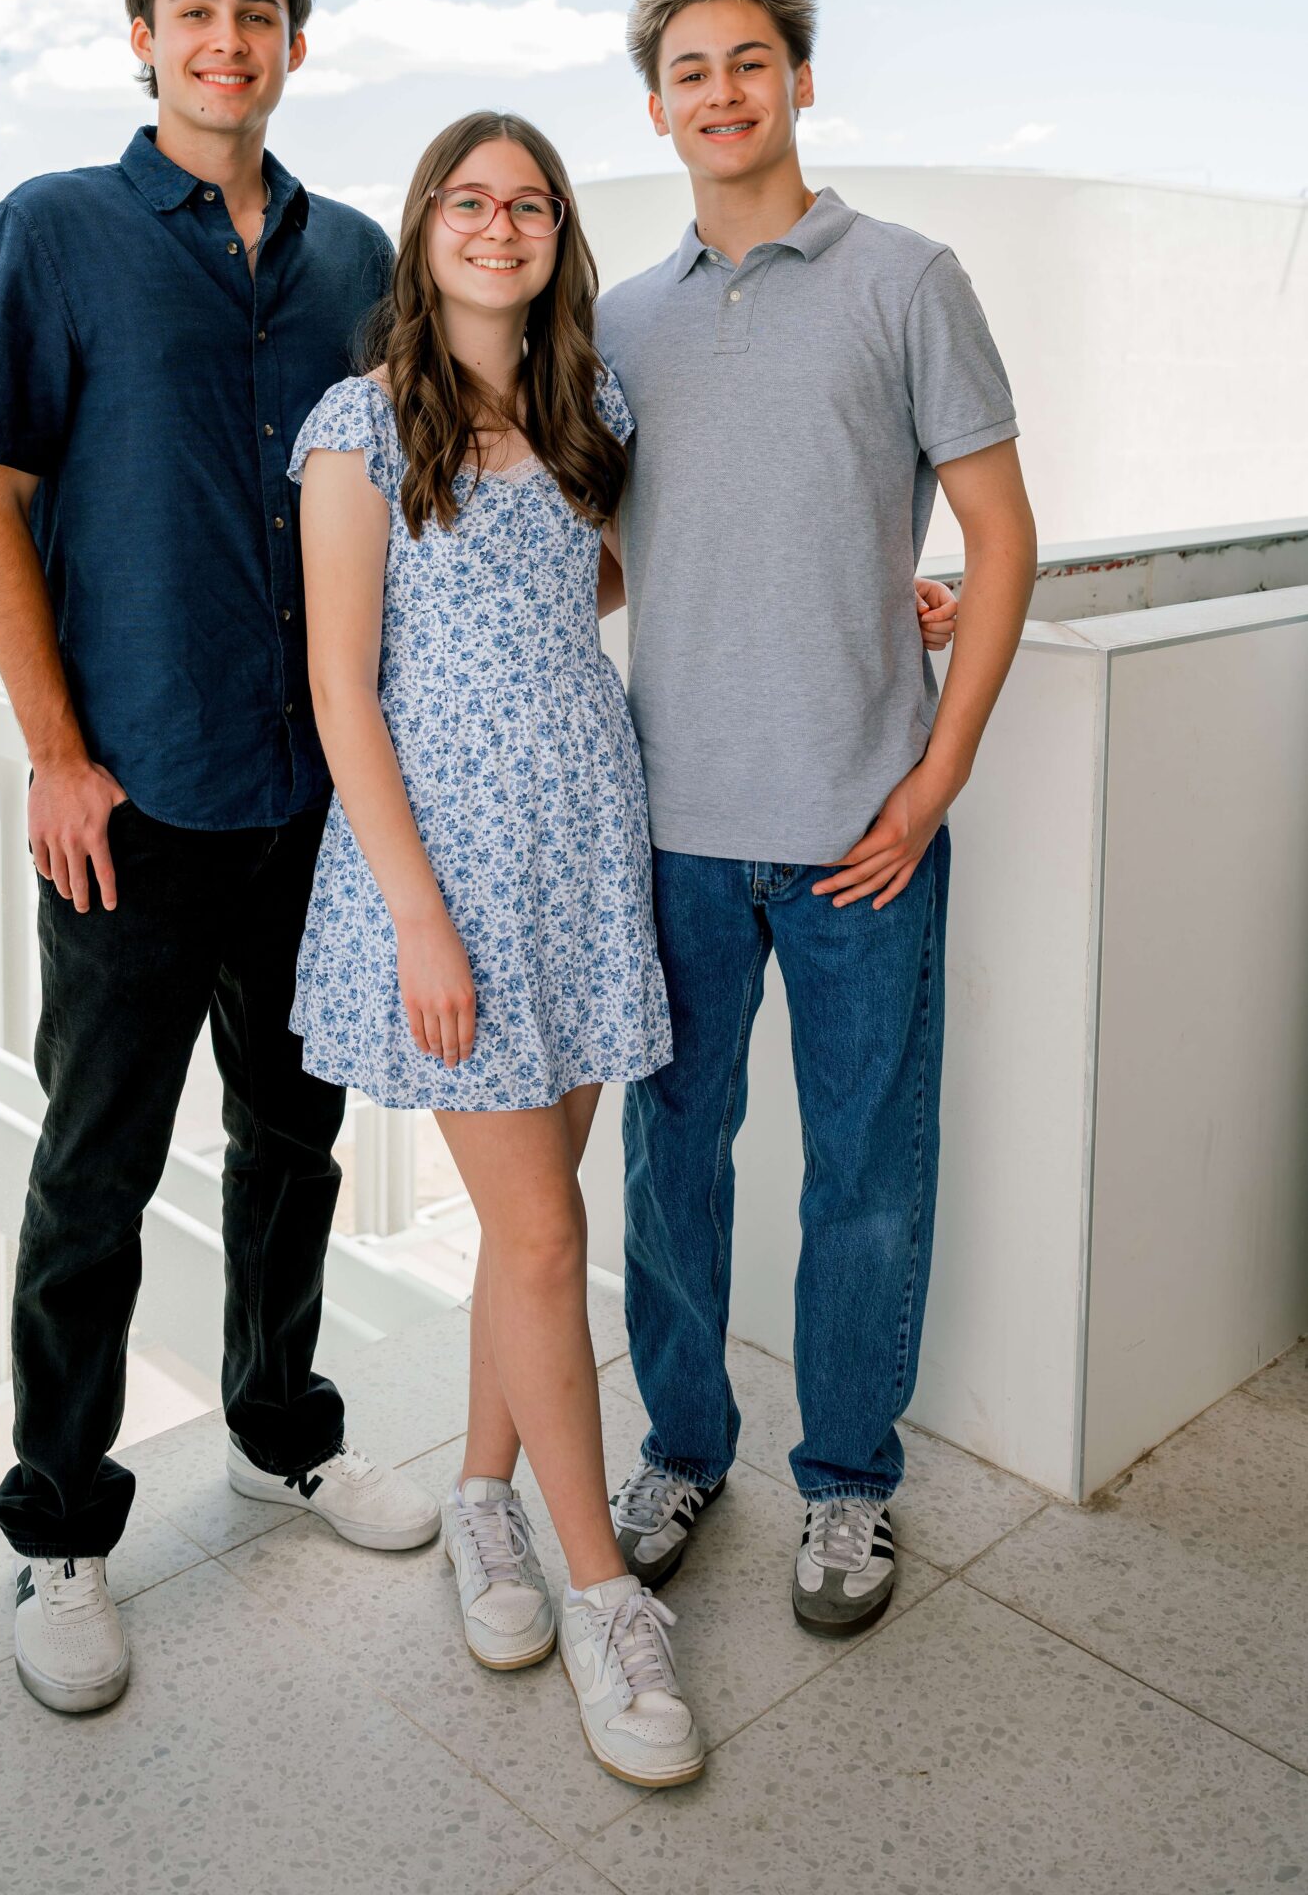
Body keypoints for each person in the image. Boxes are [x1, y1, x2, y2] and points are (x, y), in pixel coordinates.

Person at [293, 111, 958, 1790]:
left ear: (558, 235)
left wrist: (896, 591)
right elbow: (339, 689)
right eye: (468, 198)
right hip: (440, 876)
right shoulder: (360, 428)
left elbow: (643, 574)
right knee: (542, 1228)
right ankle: (602, 1595)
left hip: (587, 853)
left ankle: (477, 1510)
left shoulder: (592, 413)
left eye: (528, 202)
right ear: (422, 227)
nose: (499, 224)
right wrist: (421, 918)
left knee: (526, 1241)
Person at [0, 0, 438, 1721]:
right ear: (143, 41)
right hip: (129, 803)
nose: (230, 38)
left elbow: (447, 481)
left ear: (297, 47)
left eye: (261, 14)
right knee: (95, 1174)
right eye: (196, 11)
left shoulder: (360, 257)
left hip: (312, 798)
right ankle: (59, 1528)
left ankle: (280, 1433)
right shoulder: (54, 231)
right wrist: (57, 751)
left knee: (295, 1153)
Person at [599, 0, 1037, 1637]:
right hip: (670, 834)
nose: (722, 91)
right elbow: (633, 559)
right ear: (659, 108)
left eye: (749, 61)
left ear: (796, 83)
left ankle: (849, 1488)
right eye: (691, 69)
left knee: (865, 1177)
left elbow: (997, 540)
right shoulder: (620, 320)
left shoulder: (908, 278)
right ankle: (683, 1450)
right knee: (670, 1166)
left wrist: (936, 779)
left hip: (869, 828)